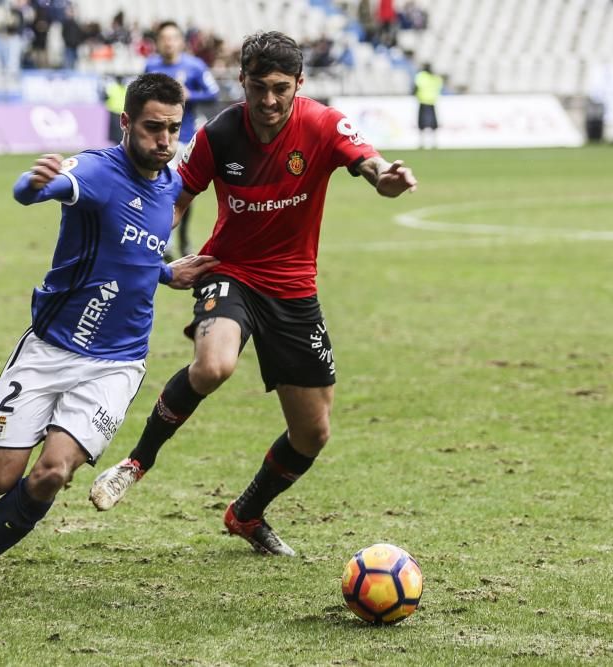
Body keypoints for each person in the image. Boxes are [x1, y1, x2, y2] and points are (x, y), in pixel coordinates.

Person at [88, 31, 417, 557]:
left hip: (292, 288)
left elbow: (371, 164)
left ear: (299, 85)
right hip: (228, 270)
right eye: (258, 87)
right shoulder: (220, 133)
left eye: (280, 89)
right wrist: (149, 251)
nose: (268, 101)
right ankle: (137, 462)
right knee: (214, 365)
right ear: (241, 81)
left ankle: (246, 514)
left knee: (312, 433)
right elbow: (175, 198)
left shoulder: (324, 124)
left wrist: (387, 179)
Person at [0, 73, 219, 593]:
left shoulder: (170, 185)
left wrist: (166, 272)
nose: (164, 141)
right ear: (126, 122)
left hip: (118, 361)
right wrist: (32, 182)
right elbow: (32, 192)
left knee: (52, 472)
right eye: (153, 128)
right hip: (52, 346)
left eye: (173, 129)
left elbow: (129, 247)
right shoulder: (95, 170)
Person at [144, 20, 220, 259]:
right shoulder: (151, 65)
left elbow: (213, 92)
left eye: (173, 37)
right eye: (164, 38)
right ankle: (163, 241)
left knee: (184, 192)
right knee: (159, 190)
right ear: (158, 42)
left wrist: (191, 95)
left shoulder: (195, 66)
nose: (168, 42)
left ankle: (184, 239)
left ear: (180, 41)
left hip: (186, 139)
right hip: (158, 140)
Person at [414, 62, 442, 149]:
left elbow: (416, 86)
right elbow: (439, 87)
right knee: (433, 124)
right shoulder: (436, 77)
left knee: (422, 124)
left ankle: (422, 143)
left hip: (423, 101)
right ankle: (434, 143)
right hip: (432, 102)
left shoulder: (421, 76)